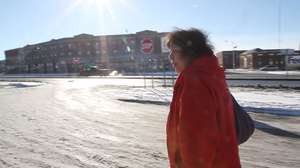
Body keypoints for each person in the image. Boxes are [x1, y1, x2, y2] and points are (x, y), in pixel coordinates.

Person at [166, 28, 241, 168]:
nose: (170, 57)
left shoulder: (194, 81)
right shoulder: (212, 75)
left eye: (174, 51)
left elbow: (196, 144)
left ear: (191, 53)